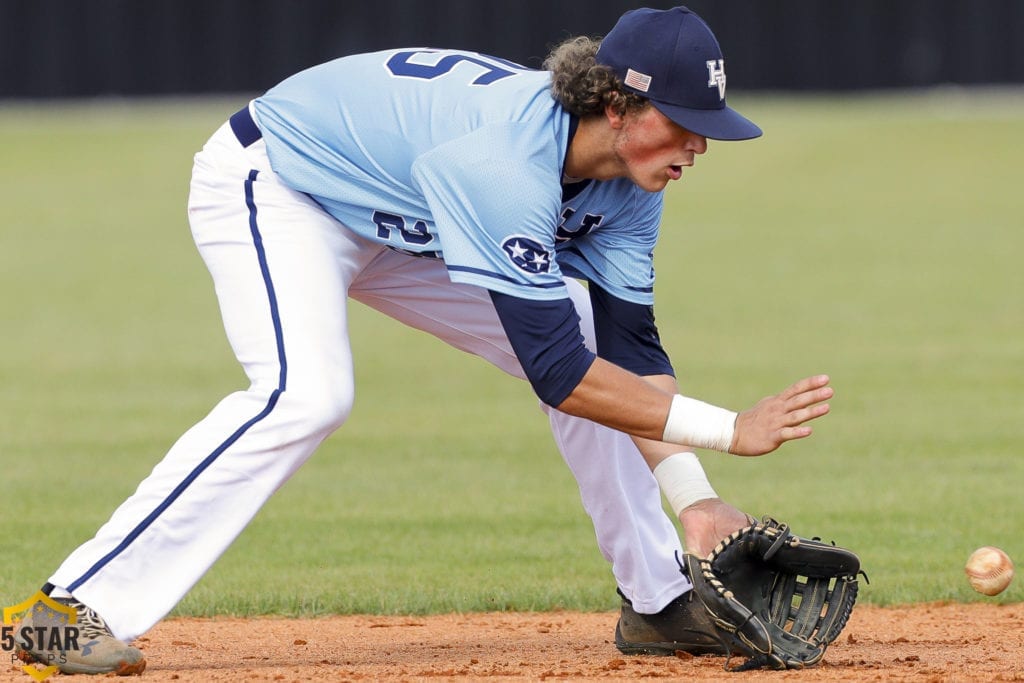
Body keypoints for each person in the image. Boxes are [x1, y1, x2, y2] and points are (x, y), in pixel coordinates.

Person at [17, 5, 833, 675]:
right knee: (306, 394)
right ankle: (63, 609)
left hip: (405, 219)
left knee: (586, 331)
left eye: (707, 127)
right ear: (613, 105)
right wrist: (729, 431)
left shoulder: (632, 183)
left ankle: (658, 602)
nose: (698, 145)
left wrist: (697, 502)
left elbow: (624, 359)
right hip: (284, 183)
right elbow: (558, 376)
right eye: (683, 122)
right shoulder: (505, 166)